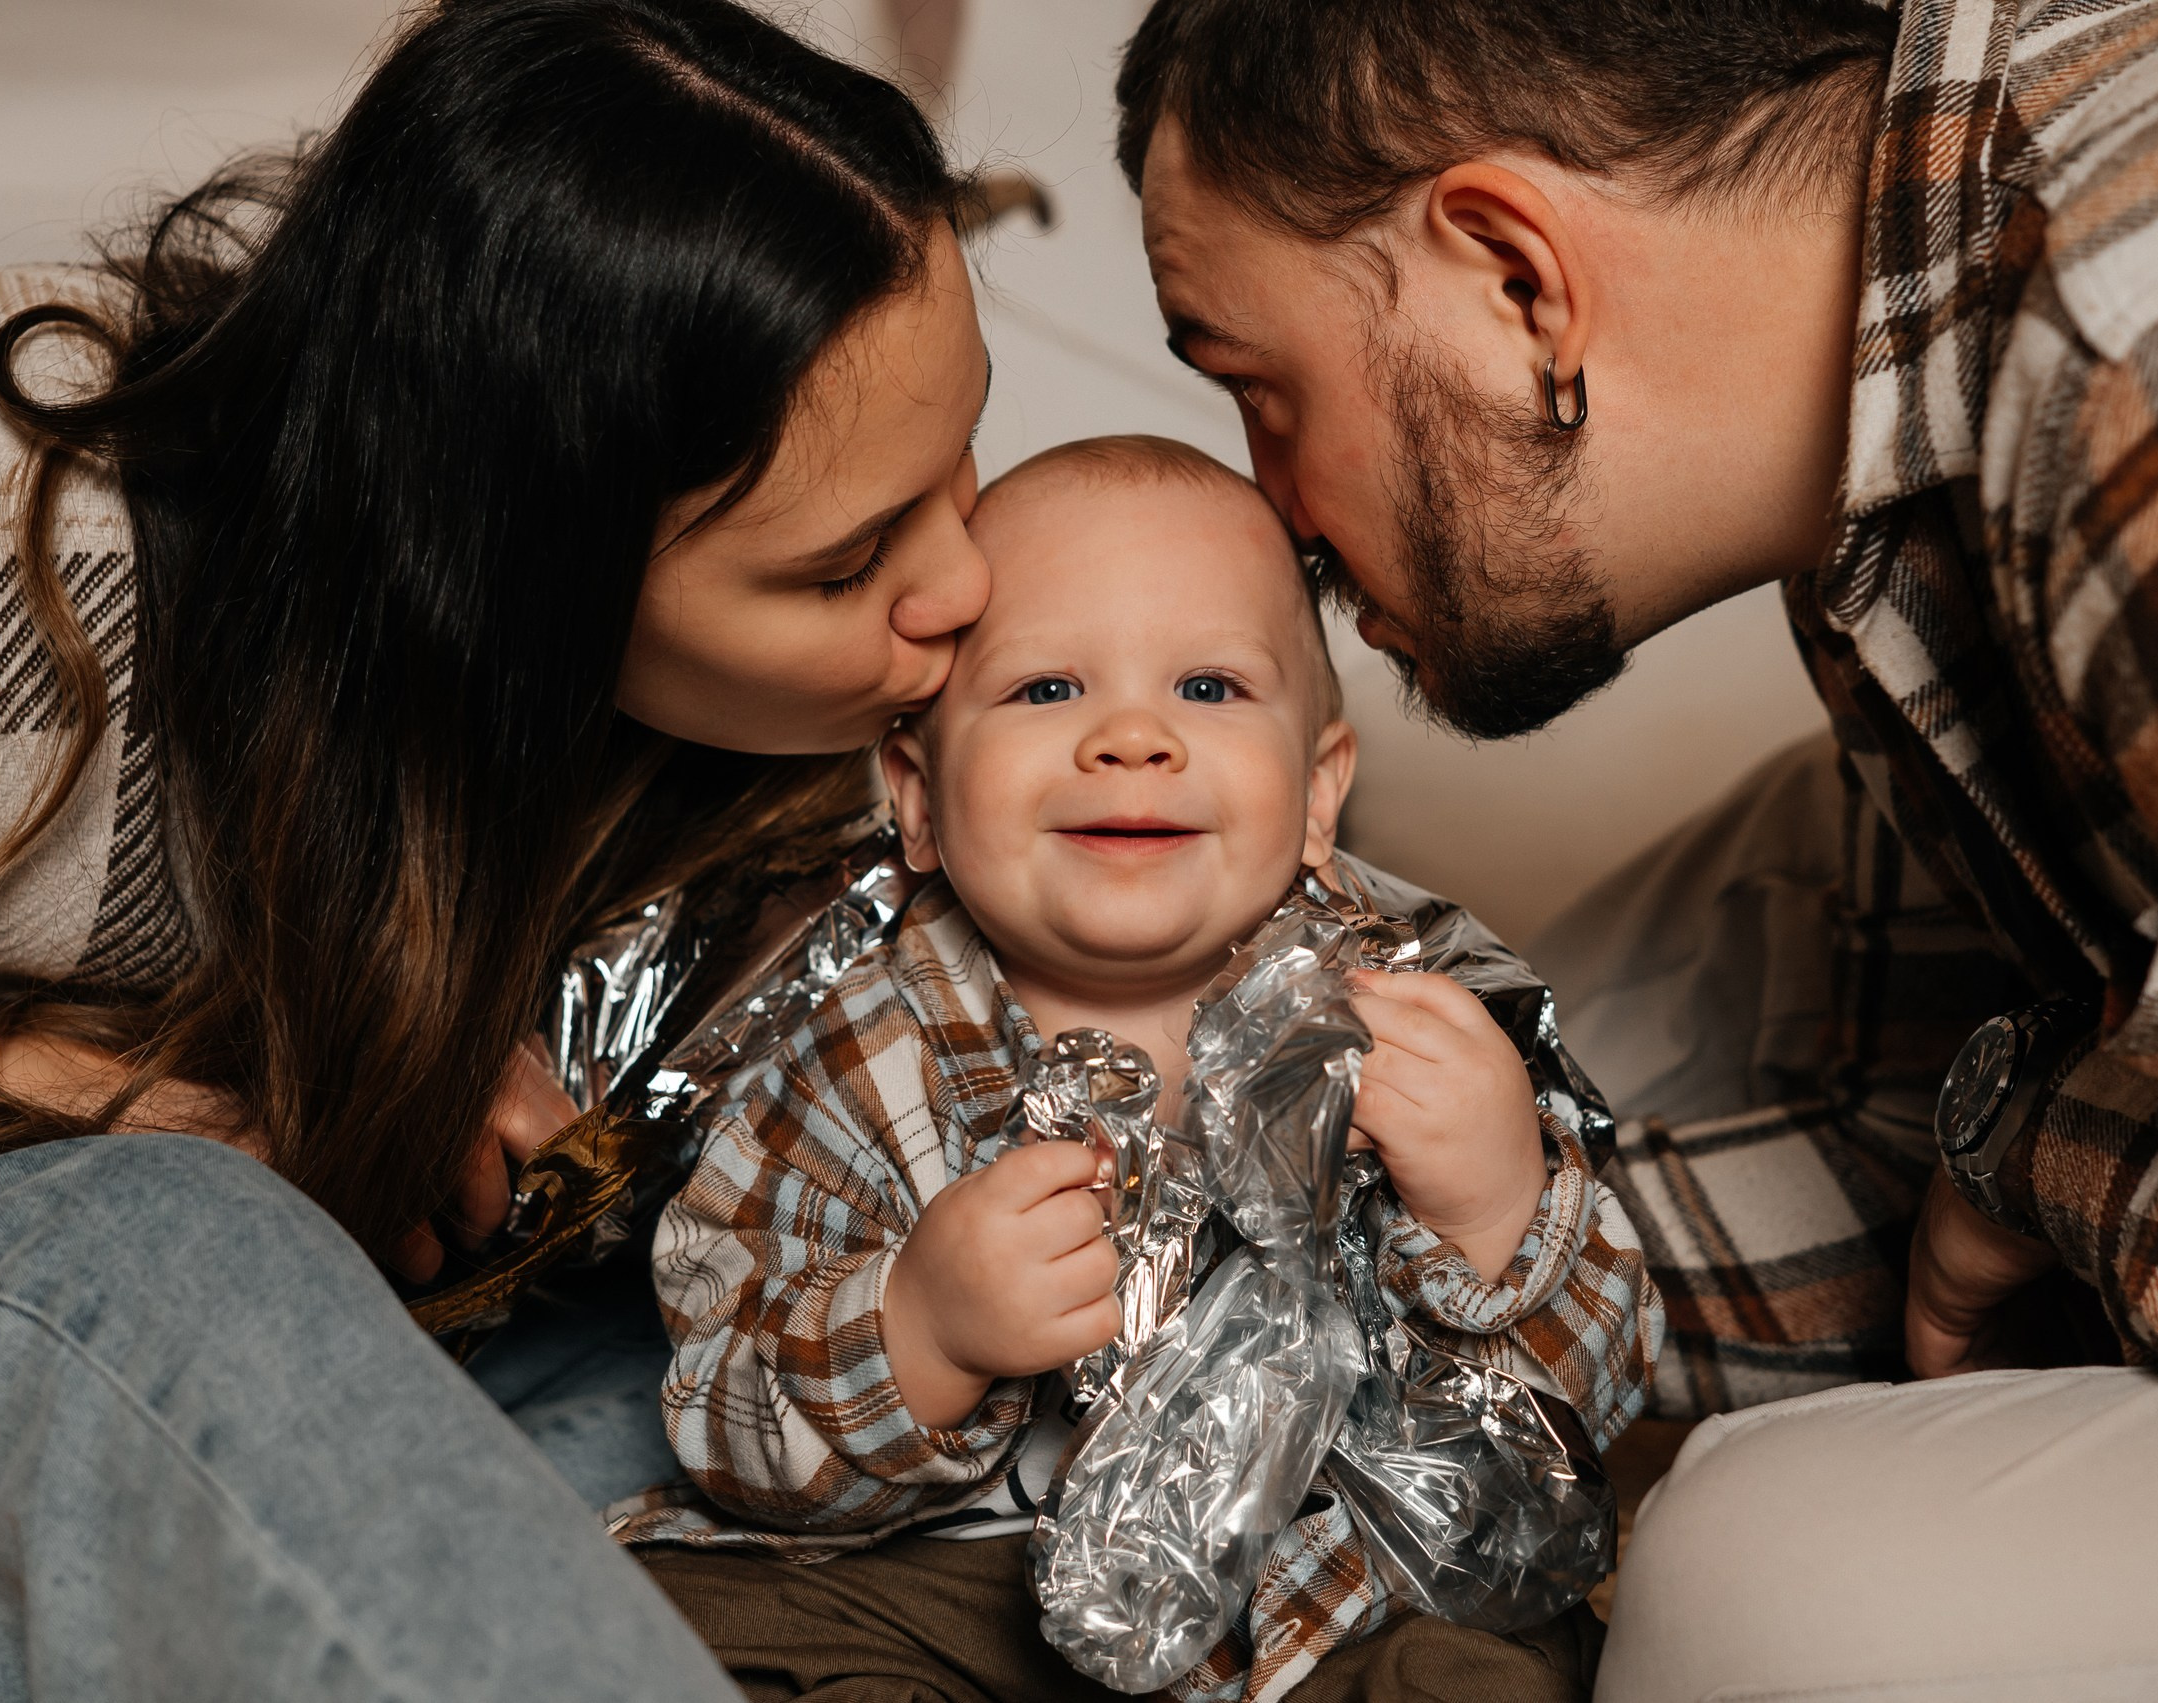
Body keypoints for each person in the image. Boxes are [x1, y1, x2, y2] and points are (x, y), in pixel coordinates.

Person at [0, 1, 1000, 1695]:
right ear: (506, 571)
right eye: (847, 567)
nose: (967, 587)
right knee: (180, 1246)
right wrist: (91, 1091)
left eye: (968, 460)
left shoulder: (804, 740)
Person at [1113, 0, 2158, 1696]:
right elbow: (1920, 1119)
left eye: (1260, 388)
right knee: (1561, 1008)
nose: (1273, 523)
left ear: (1520, 279)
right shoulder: (1875, 499)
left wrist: (2048, 1153)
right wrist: (1445, 1266)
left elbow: (2000, 1139)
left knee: (1775, 1579)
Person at [622, 437, 1656, 1703]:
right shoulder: (855, 1054)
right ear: (920, 795)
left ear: (1320, 794)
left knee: (1496, 1662)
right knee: (682, 1617)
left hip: (1321, 1578)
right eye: (1046, 687)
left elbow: (1597, 1396)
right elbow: (719, 1404)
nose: (1129, 737)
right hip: (951, 1584)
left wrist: (1496, 1210)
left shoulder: (1420, 1013)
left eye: (1210, 688)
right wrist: (918, 1326)